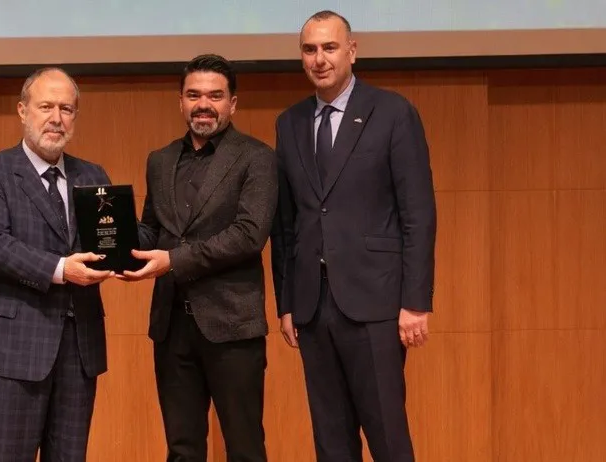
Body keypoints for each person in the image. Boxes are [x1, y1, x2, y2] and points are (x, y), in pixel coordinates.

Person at [270, 10, 437, 462]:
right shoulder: (289, 122)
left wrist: (415, 302)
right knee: (331, 443)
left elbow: (418, 214)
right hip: (312, 307)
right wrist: (286, 302)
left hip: (376, 305)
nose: (319, 59)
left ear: (352, 51)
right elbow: (285, 223)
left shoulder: (393, 113)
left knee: (387, 438)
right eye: (309, 50)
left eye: (329, 47)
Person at [120, 54, 277, 462]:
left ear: (232, 103)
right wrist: (115, 241)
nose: (203, 104)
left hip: (232, 327)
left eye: (214, 96)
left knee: (245, 448)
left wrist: (174, 260)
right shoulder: (160, 160)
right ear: (181, 101)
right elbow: (152, 229)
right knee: (182, 449)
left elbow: (248, 235)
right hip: (171, 326)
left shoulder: (257, 157)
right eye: (193, 95)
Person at [0, 67, 115, 461]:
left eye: (66, 109)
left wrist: (141, 251)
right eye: (46, 107)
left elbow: (109, 241)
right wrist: (62, 269)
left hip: (78, 350)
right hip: (11, 349)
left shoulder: (92, 175)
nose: (56, 118)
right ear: (22, 110)